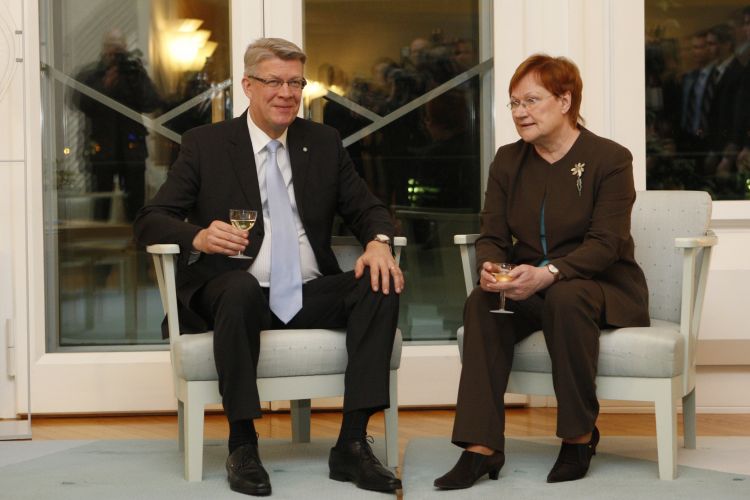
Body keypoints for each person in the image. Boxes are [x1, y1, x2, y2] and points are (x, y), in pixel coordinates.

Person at [133, 38, 404, 496]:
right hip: (233, 292)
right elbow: (149, 221)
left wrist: (378, 244)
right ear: (248, 86)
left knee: (380, 283)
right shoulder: (207, 144)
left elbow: (368, 208)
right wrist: (197, 236)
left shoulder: (323, 142)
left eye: (296, 83)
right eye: (274, 82)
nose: (286, 93)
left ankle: (352, 444)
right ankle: (243, 445)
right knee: (239, 288)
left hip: (307, 292)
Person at [433, 54, 650, 489]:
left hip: (598, 285)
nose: (520, 112)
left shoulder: (609, 158)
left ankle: (578, 438)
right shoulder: (508, 161)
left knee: (567, 297)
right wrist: (492, 268)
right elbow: (492, 234)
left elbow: (606, 244)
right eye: (514, 103)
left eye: (531, 101)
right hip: (530, 286)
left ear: (565, 101)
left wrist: (549, 273)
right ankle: (481, 448)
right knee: (482, 302)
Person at [74, 29, 161, 222]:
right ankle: (98, 237)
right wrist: (104, 85)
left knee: (136, 203)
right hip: (102, 148)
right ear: (104, 49)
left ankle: (137, 237)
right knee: (101, 203)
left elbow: (152, 103)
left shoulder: (134, 73)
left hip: (132, 148)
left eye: (119, 48)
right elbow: (80, 103)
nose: (115, 53)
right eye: (111, 47)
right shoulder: (92, 74)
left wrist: (136, 78)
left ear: (126, 48)